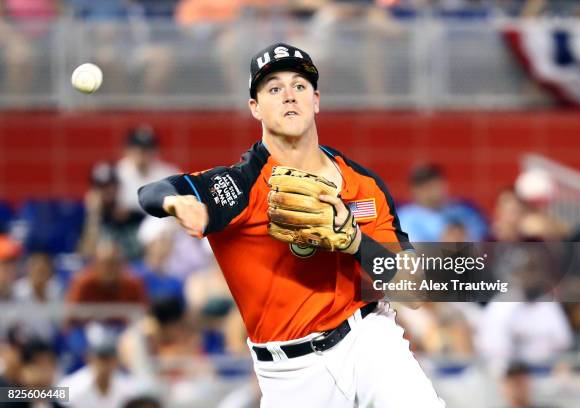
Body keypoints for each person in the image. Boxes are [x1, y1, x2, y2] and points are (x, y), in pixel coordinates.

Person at [138, 42, 444, 407]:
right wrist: (177, 202)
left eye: (299, 86)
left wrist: (355, 242)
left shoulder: (362, 183)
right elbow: (152, 192)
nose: (288, 96)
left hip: (370, 340)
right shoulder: (240, 186)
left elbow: (415, 292)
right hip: (292, 374)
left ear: (316, 100)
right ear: (255, 107)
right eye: (273, 88)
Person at [397, 163, 488, 242]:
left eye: (433, 184)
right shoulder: (404, 217)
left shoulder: (464, 211)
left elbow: (483, 239)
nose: (429, 191)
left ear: (444, 184)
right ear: (413, 190)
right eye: (422, 186)